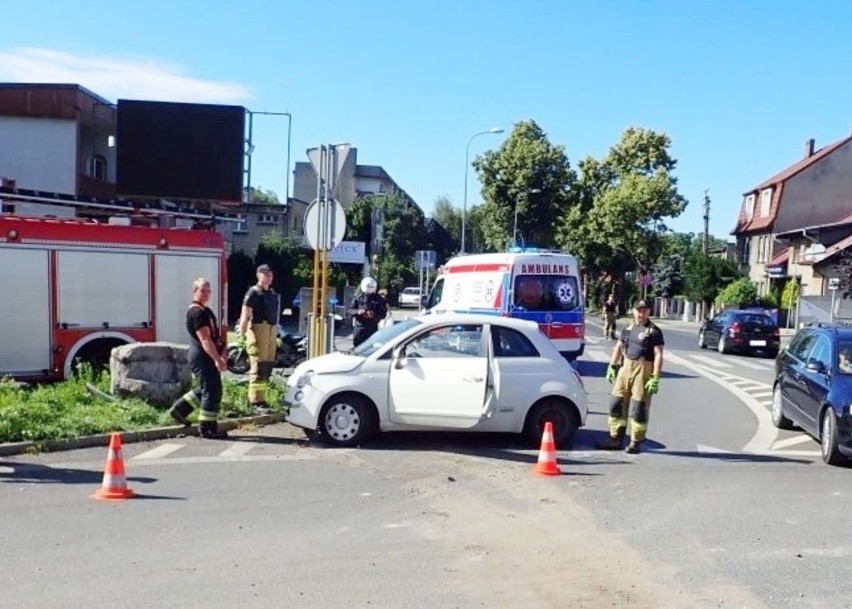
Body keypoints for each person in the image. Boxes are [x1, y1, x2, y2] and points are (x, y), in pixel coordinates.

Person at [597, 300, 664, 454]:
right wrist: (612, 365)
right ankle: (615, 439)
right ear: (633, 311)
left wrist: (655, 377)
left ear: (648, 312)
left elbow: (658, 354)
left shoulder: (654, 331)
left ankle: (635, 442)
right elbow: (619, 347)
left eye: (644, 311)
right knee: (616, 403)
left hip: (643, 369)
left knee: (638, 407)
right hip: (625, 367)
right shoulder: (627, 328)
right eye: (638, 311)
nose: (641, 314)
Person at [168, 278, 229, 439]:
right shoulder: (197, 312)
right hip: (203, 356)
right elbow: (205, 339)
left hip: (205, 355)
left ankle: (180, 409)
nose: (207, 293)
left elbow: (214, 337)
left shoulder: (205, 311)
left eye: (209, 290)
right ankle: (207, 428)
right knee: (212, 390)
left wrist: (222, 349)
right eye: (203, 290)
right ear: (195, 291)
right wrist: (217, 359)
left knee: (207, 388)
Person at [237, 264, 281, 413]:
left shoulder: (272, 293)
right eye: (265, 274)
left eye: (270, 274)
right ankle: (254, 401)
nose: (268, 276)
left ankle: (261, 398)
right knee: (258, 365)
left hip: (271, 330)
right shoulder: (253, 293)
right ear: (258, 275)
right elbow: (245, 315)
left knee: (266, 366)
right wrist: (242, 336)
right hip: (258, 329)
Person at [350, 277, 388, 347]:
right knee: (357, 346)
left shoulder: (379, 299)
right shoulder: (358, 297)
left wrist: (373, 315)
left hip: (372, 327)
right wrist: (358, 312)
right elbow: (350, 310)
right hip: (360, 327)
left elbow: (383, 314)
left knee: (371, 348)